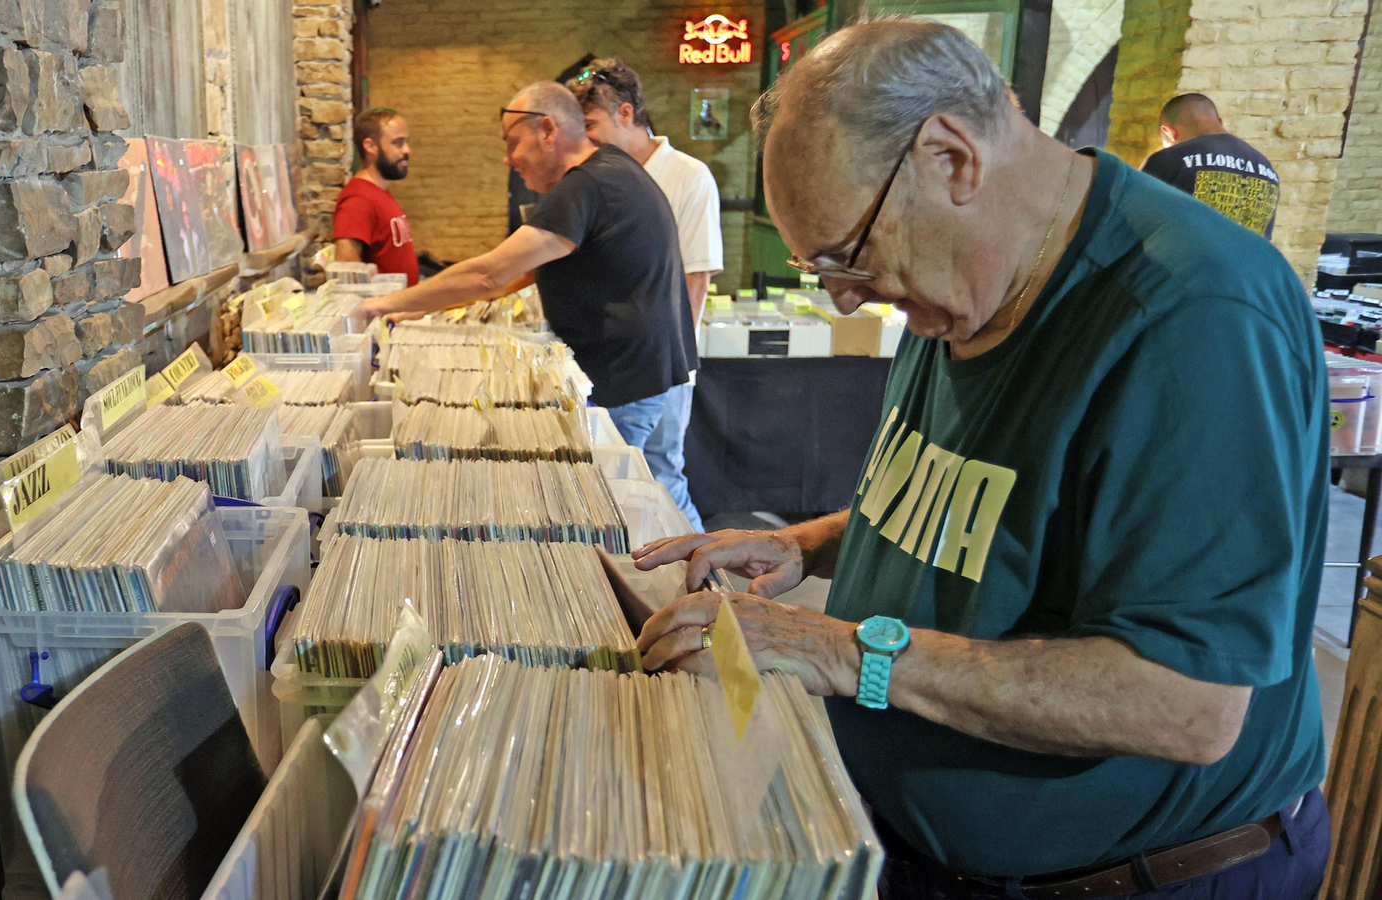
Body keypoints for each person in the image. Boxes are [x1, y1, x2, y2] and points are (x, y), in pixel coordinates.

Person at [633, 19, 1328, 900]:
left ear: (950, 158)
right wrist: (809, 544)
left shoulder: (1196, 314)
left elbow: (1186, 702)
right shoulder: (962, 285)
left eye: (847, 257)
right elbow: (1000, 507)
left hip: (1138, 877)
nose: (845, 296)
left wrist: (844, 653)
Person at [355, 82, 699, 487]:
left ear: (548, 131)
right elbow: (519, 273)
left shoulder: (582, 186)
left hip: (624, 383)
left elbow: (490, 271)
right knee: (663, 492)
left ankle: (703, 552)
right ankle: (700, 551)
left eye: (512, 142)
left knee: (616, 503)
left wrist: (379, 304)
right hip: (648, 373)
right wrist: (423, 307)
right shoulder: (609, 168)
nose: (507, 158)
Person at [569, 58, 718, 531]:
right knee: (621, 475)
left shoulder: (689, 176)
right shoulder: (603, 175)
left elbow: (696, 278)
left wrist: (675, 369)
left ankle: (706, 586)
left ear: (627, 114)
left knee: (661, 474)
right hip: (614, 360)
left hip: (665, 362)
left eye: (591, 125)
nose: (587, 137)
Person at [1140, 93, 1280, 238]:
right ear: (1220, 121)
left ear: (1170, 132)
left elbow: (1130, 223)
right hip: (1252, 260)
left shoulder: (1167, 160)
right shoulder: (1266, 168)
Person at [333, 107, 420, 284]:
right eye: (398, 142)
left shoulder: (379, 192)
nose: (407, 150)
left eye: (406, 142)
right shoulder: (358, 200)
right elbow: (346, 270)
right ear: (371, 146)